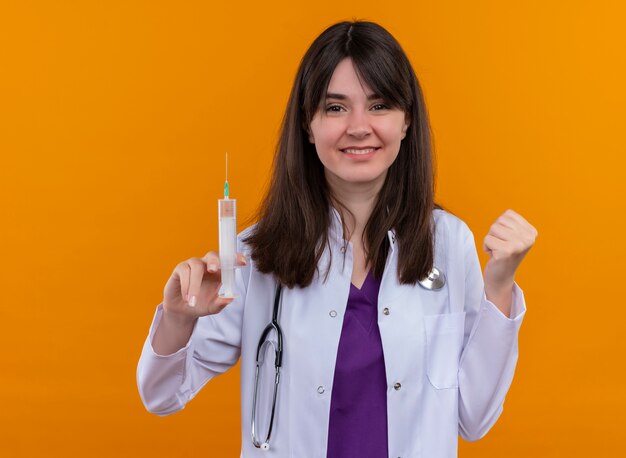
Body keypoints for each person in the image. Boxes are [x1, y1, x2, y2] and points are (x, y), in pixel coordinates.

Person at [137, 20, 537, 457]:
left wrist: (499, 286)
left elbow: (474, 419)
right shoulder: (256, 257)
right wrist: (179, 319)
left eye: (380, 105)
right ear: (308, 126)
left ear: (406, 122)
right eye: (335, 108)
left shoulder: (447, 243)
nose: (359, 127)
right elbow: (160, 397)